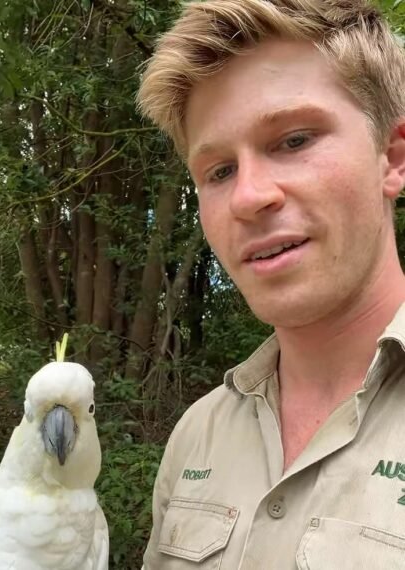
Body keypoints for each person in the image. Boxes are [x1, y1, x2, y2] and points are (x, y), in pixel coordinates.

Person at [136, 0, 405, 567]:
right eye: (219, 171)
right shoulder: (198, 434)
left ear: (393, 156)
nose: (249, 197)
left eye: (294, 140)